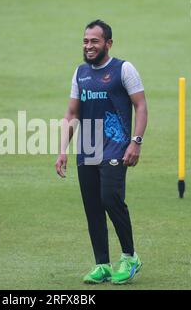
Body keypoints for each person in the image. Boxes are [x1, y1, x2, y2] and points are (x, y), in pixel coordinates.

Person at [55, 20, 148, 285]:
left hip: (116, 147)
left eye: (94, 41)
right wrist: (62, 150)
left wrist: (136, 141)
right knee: (93, 208)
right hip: (87, 150)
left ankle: (130, 257)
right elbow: (71, 113)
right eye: (85, 41)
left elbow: (140, 106)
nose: (89, 46)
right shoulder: (80, 73)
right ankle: (102, 264)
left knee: (110, 199)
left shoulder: (124, 69)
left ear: (108, 43)